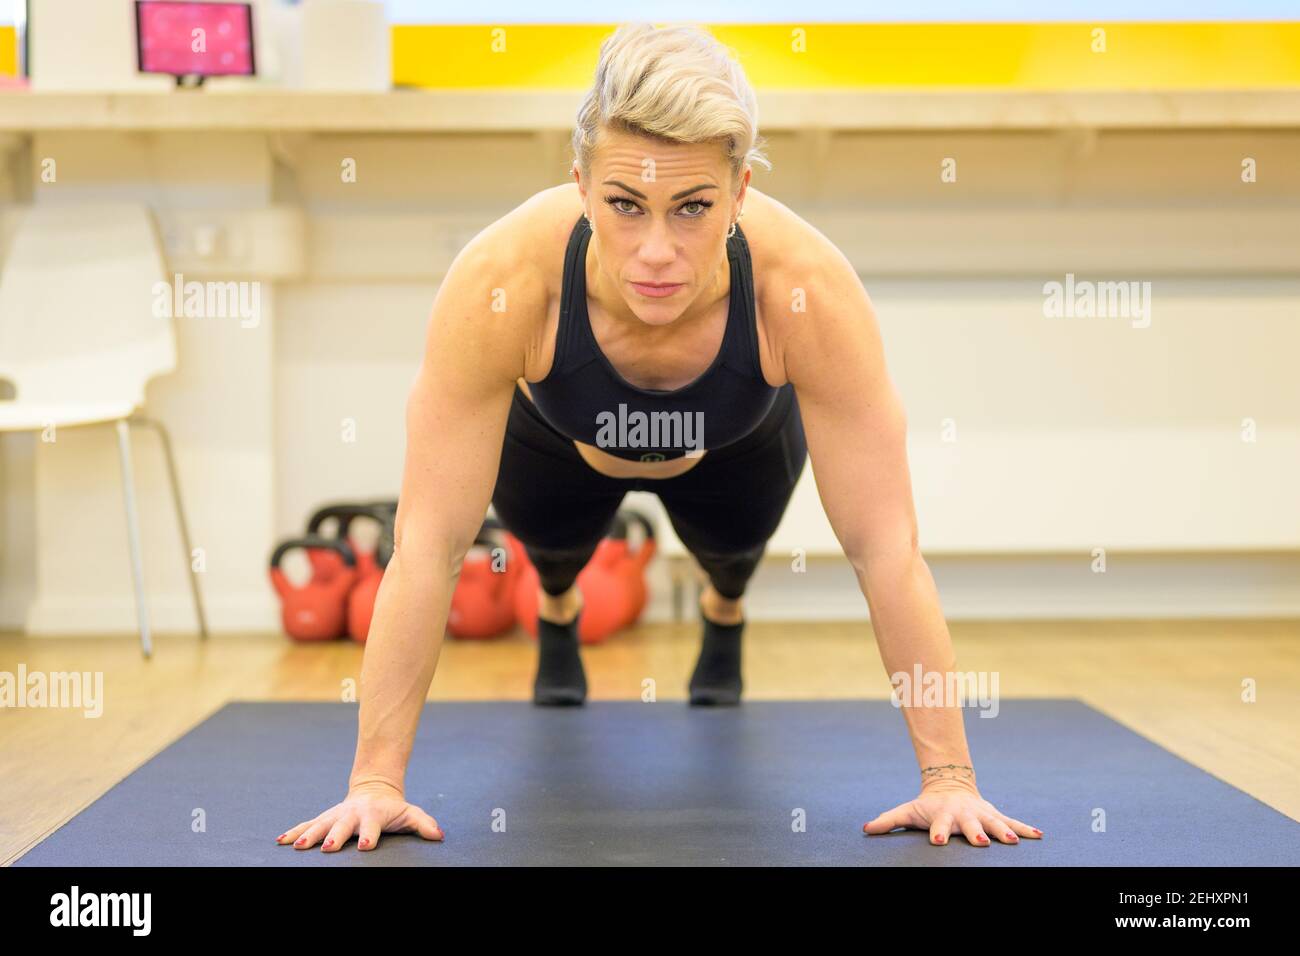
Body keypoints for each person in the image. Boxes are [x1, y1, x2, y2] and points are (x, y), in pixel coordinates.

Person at [276, 22, 1042, 854]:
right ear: (581, 185)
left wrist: (950, 781)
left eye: (693, 209)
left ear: (740, 191)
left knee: (733, 553)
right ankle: (556, 603)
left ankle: (725, 608)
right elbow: (426, 545)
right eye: (624, 206)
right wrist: (375, 784)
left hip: (734, 441)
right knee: (551, 549)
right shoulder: (505, 282)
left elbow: (887, 548)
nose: (656, 252)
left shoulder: (804, 291)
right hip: (560, 440)